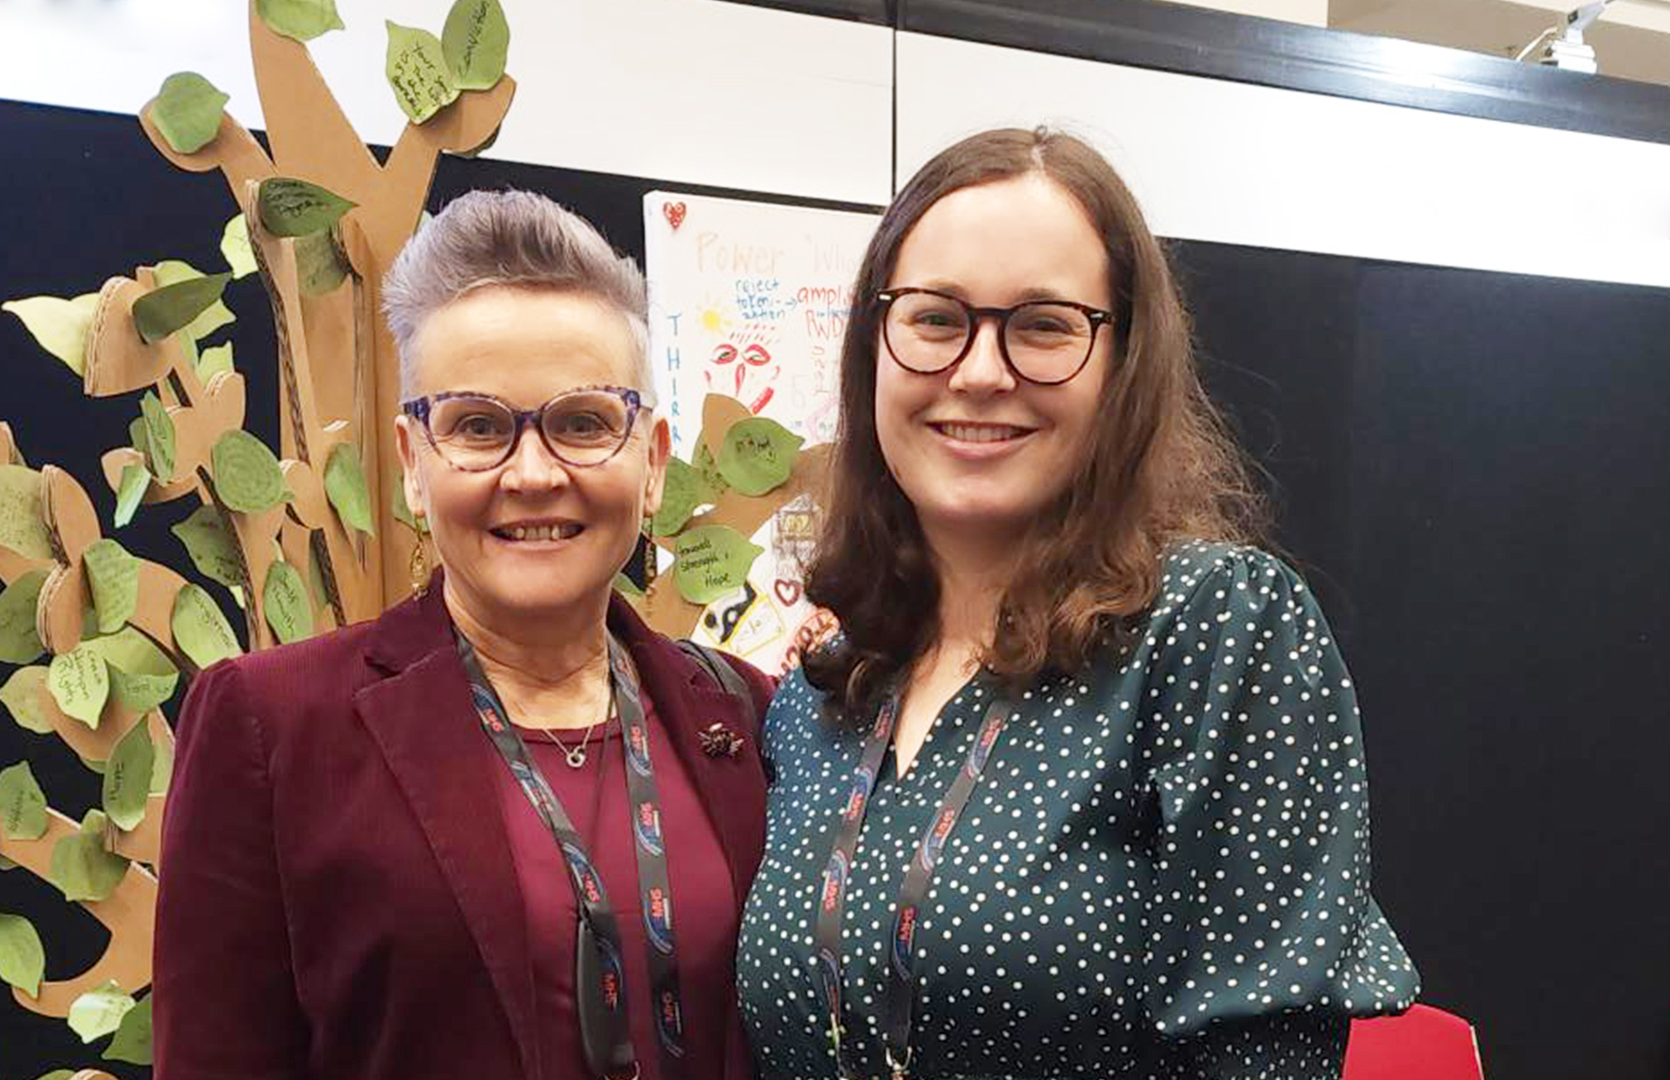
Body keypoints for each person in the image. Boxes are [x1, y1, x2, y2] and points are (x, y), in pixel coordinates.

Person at [736, 128, 1418, 1079]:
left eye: (1044, 325)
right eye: (935, 318)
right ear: (874, 348)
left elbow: (1266, 1055)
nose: (979, 371)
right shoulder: (830, 686)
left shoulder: (1219, 632)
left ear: (1125, 365)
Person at [155, 189, 775, 1080]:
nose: (532, 473)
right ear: (415, 463)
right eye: (479, 427)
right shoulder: (273, 726)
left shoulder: (749, 717)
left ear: (653, 461)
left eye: (583, 422)